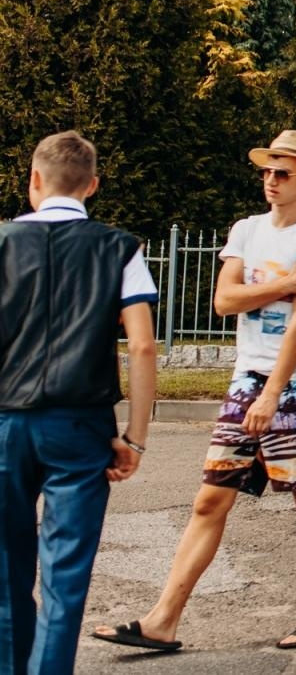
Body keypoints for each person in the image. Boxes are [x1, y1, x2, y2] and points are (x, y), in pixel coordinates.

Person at [94, 130, 296, 654]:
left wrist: (271, 395)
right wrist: (284, 285)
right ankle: (162, 620)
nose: (272, 181)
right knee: (210, 500)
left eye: (283, 173)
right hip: (245, 380)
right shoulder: (246, 231)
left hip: (295, 386)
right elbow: (224, 300)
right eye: (267, 171)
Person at [1, 131, 158, 675]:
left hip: (4, 421)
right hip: (80, 423)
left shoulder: (1, 243)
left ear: (34, 180)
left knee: (5, 575)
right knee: (65, 576)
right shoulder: (119, 247)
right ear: (92, 185)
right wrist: (134, 437)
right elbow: (140, 344)